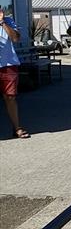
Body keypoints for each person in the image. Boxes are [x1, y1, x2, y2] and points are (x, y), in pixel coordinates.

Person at [0, 8, 28, 138]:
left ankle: (17, 127)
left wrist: (3, 23)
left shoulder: (9, 21)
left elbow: (16, 38)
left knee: (10, 97)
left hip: (8, 64)